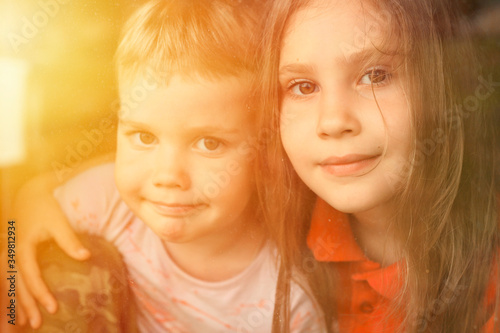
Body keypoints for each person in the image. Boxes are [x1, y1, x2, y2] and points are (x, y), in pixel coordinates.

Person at [13, 0, 327, 332]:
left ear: (265, 151)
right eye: (145, 136)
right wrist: (13, 239)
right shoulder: (108, 202)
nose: (168, 176)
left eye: (209, 143)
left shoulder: (287, 301)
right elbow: (16, 232)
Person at [258, 0, 499, 332]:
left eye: (375, 76)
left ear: (442, 84)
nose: (333, 121)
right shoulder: (265, 248)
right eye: (303, 87)